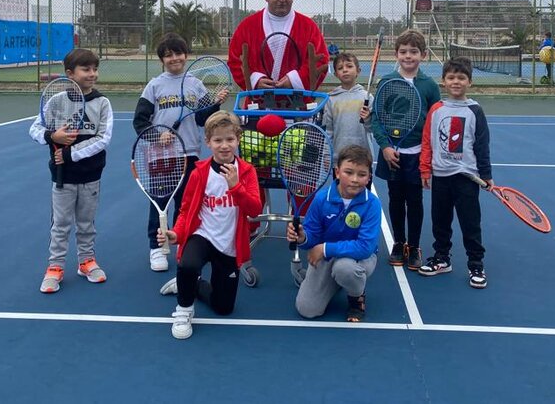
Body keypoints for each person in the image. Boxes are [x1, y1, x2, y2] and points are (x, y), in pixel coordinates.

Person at [157, 111, 263, 339]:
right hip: (203, 235)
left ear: (238, 139)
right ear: (208, 142)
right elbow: (186, 211)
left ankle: (191, 285)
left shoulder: (247, 172)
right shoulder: (199, 173)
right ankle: (184, 310)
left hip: (229, 244)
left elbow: (255, 210)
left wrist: (236, 187)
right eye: (217, 140)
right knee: (188, 264)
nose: (224, 145)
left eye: (229, 139)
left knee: (223, 308)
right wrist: (176, 233)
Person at [132, 33, 227, 272]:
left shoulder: (196, 84)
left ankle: (180, 243)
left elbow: (202, 119)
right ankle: (157, 247)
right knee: (160, 202)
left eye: (178, 53)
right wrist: (157, 136)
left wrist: (215, 103)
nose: (174, 58)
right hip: (161, 156)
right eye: (168, 55)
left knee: (187, 204)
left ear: (186, 55)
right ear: (162, 60)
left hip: (189, 154)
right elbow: (140, 121)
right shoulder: (154, 85)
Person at [30, 48, 113, 293]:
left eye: (95, 69)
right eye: (86, 69)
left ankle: (86, 262)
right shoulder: (56, 101)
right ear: (70, 73)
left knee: (86, 223)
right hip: (62, 178)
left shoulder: (102, 103)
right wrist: (52, 136)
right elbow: (35, 129)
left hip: (91, 176)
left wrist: (70, 153)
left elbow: (103, 138)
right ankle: (55, 267)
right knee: (61, 224)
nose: (92, 74)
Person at [418, 56, 492, 289]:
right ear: (443, 81)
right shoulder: (437, 109)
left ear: (469, 81)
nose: (456, 82)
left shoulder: (475, 110)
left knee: (470, 223)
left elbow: (482, 145)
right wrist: (425, 169)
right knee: (440, 221)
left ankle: (476, 264)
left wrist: (486, 174)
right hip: (441, 176)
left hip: (466, 177)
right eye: (451, 77)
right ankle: (442, 258)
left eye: (461, 78)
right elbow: (427, 141)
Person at [370, 29, 441, 271]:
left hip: (417, 154)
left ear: (423, 55)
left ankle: (414, 245)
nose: (408, 56)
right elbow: (377, 118)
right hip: (392, 154)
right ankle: (399, 243)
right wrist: (385, 146)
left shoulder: (429, 86)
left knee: (415, 200)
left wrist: (429, 156)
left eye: (413, 51)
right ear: (396, 54)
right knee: (396, 199)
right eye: (403, 51)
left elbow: (435, 121)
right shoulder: (387, 82)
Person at [286, 145, 381, 322]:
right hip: (327, 257)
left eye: (361, 174)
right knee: (307, 309)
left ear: (369, 177)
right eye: (348, 172)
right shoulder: (321, 199)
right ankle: (336, 282)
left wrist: (325, 249)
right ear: (337, 172)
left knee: (345, 269)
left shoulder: (372, 204)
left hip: (358, 258)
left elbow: (365, 247)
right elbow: (312, 235)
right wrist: (303, 237)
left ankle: (356, 298)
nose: (354, 179)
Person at [227, 0, 328, 92]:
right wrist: (254, 80)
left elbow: (321, 59)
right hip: (258, 100)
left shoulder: (308, 27)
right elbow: (235, 59)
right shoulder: (247, 26)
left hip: (298, 100)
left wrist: (295, 80)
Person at [321, 51, 371, 156]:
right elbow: (328, 131)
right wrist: (327, 155)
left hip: (363, 157)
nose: (345, 70)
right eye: (340, 68)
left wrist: (368, 119)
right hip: (339, 157)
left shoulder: (367, 97)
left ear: (358, 71)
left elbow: (373, 128)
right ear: (336, 74)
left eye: (349, 66)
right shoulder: (331, 99)